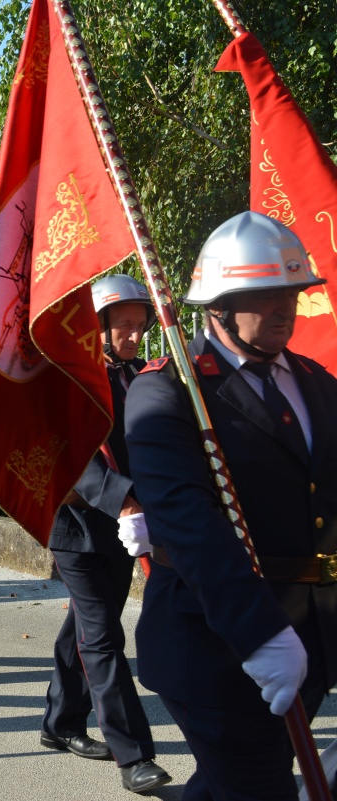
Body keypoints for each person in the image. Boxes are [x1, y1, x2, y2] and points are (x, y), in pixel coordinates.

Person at [126, 211, 337, 801]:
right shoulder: (169, 390)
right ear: (217, 306)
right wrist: (260, 634)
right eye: (262, 296)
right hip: (217, 644)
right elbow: (187, 521)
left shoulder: (317, 382)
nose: (283, 308)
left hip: (311, 633)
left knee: (237, 784)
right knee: (256, 785)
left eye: (290, 293)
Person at [40, 275, 171, 794]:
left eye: (141, 327)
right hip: (78, 528)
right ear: (95, 328)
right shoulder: (67, 379)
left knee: (86, 630)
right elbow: (70, 458)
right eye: (125, 327)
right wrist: (126, 500)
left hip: (126, 527)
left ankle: (59, 722)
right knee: (103, 637)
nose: (135, 337)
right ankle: (133, 753)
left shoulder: (139, 376)